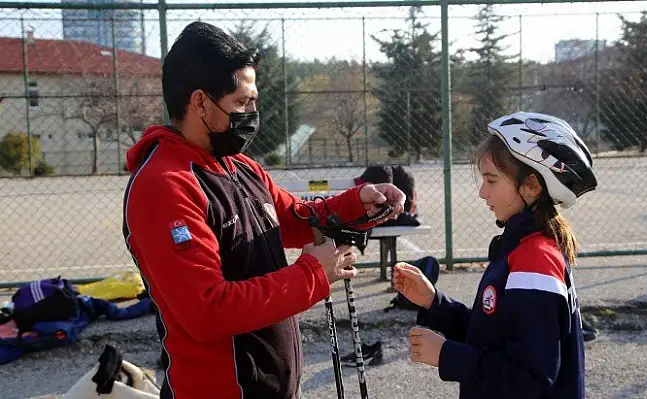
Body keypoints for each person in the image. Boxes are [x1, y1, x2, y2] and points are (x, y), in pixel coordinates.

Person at [121, 21, 405, 399]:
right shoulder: (163, 185)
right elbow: (207, 311)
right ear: (200, 101)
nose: (252, 113)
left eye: (254, 101)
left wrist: (358, 202)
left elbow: (288, 217)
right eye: (242, 103)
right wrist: (312, 275)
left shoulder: (238, 165)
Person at [392, 111, 598, 399]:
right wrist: (433, 302)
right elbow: (491, 335)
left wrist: (447, 355)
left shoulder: (535, 260)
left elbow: (530, 378)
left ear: (532, 186)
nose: (482, 192)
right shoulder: (520, 248)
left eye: (491, 181)